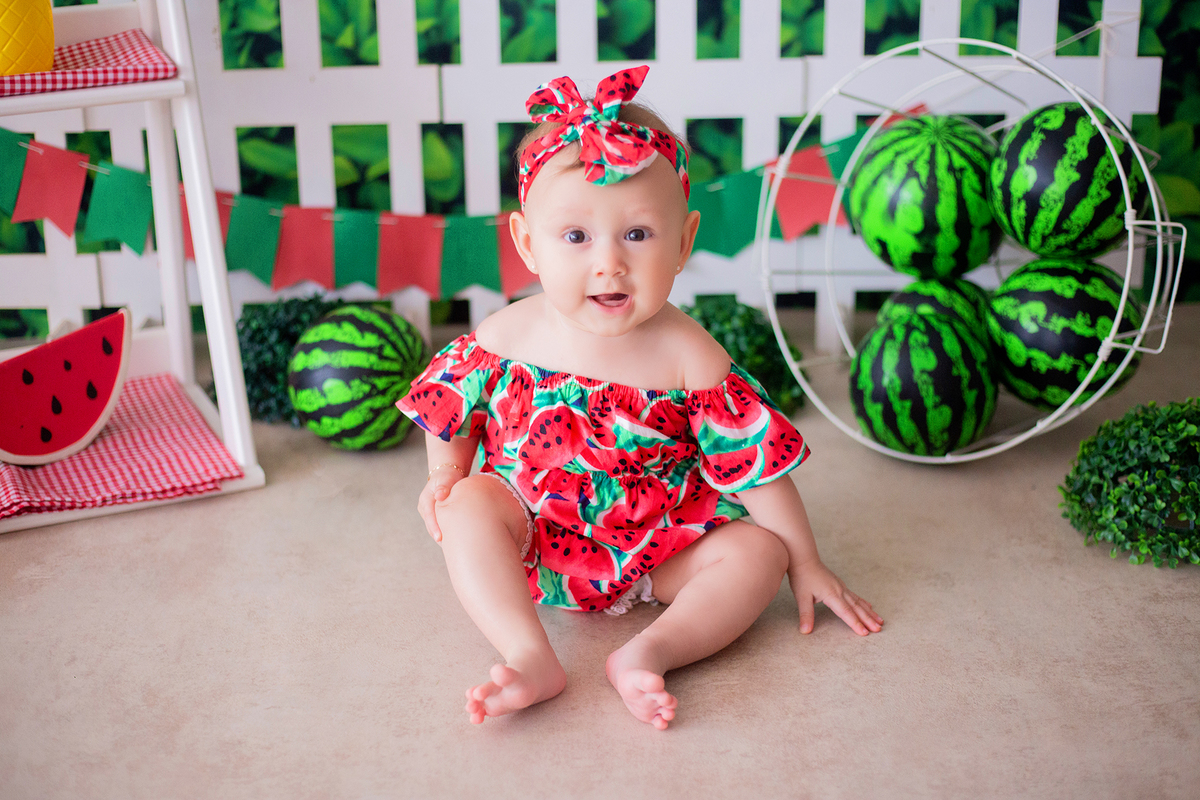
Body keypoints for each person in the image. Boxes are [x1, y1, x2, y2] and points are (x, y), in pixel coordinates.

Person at [397, 66, 882, 730]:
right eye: (576, 237)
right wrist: (445, 473)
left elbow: (758, 472)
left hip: (662, 546)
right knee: (465, 506)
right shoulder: (508, 335)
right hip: (532, 533)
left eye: (637, 234)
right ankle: (528, 652)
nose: (610, 263)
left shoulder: (691, 357)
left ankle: (649, 652)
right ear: (527, 243)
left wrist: (808, 561)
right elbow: (449, 407)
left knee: (759, 553)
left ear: (682, 242)